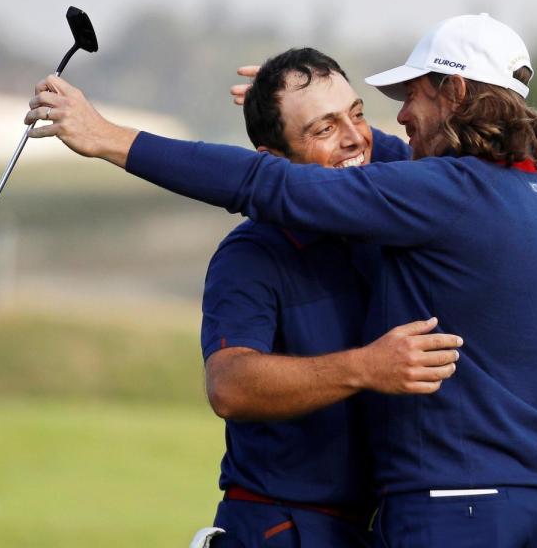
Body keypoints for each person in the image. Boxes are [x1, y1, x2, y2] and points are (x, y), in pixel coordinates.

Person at [26, 14, 537, 547]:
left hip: (442, 512)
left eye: (397, 102)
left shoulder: (429, 205)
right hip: (299, 527)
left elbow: (356, 170)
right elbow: (230, 386)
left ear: (456, 92)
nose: (390, 123)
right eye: (326, 127)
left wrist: (109, 138)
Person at [198, 47, 462, 547]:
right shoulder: (249, 254)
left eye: (357, 114)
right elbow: (229, 385)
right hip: (284, 529)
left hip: (383, 525)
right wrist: (365, 367)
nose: (353, 139)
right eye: (323, 129)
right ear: (272, 164)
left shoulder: (390, 222)